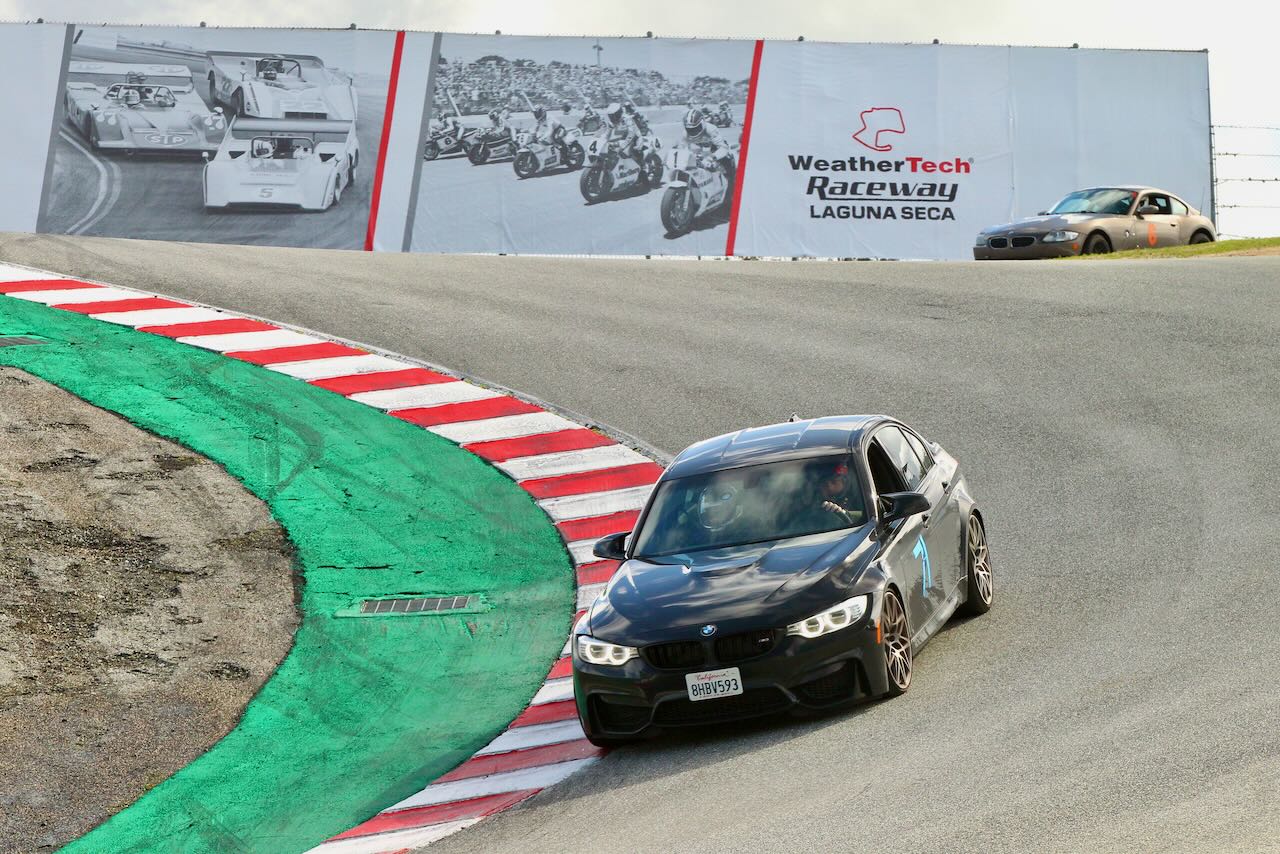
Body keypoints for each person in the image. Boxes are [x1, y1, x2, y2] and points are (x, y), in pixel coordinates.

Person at [681, 107, 736, 192]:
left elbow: (723, 148)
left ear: (702, 123)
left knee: (727, 161)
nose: (693, 131)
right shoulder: (685, 133)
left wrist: (712, 157)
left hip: (715, 147)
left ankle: (731, 189)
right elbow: (684, 148)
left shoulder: (711, 129)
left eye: (696, 128)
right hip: (699, 148)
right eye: (690, 129)